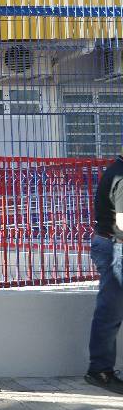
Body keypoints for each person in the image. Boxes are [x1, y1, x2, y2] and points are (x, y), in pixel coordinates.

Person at [87, 153, 123, 394]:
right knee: (111, 312)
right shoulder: (121, 177)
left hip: (110, 245)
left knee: (111, 311)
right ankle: (100, 371)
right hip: (115, 248)